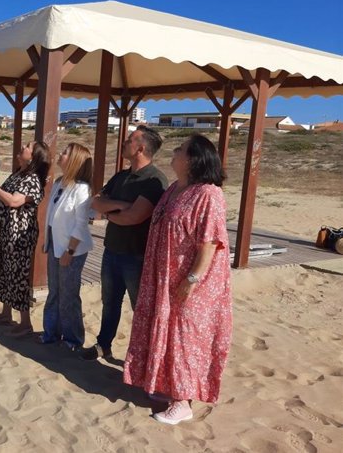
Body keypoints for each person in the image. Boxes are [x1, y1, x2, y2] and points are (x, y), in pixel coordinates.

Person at [123, 135, 232, 425]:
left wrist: (192, 279)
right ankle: (168, 387)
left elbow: (210, 243)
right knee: (166, 331)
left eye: (181, 149)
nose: (174, 151)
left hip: (192, 282)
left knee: (186, 337)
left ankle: (183, 401)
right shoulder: (174, 188)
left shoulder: (208, 194)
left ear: (195, 160)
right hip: (163, 277)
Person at [80, 126, 167, 361]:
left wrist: (113, 211)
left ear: (141, 148)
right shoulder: (121, 176)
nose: (124, 143)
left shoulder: (154, 180)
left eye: (130, 139)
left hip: (136, 256)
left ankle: (143, 356)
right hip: (112, 250)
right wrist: (120, 206)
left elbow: (134, 217)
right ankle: (104, 344)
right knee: (110, 303)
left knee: (140, 308)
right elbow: (96, 202)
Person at [0, 141, 51, 337]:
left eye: (27, 146)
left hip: (19, 236)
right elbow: (6, 198)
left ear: (33, 156)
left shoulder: (33, 179)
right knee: (4, 270)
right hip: (4, 230)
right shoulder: (18, 173)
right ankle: (6, 314)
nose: (22, 146)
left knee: (18, 275)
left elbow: (15, 201)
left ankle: (25, 323)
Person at [40, 143, 94, 350]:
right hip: (55, 243)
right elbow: (52, 216)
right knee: (54, 290)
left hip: (72, 248)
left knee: (69, 294)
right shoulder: (60, 182)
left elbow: (81, 225)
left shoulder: (82, 189)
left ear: (73, 161)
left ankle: (73, 339)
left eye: (64, 153)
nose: (60, 155)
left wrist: (69, 252)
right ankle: (51, 332)